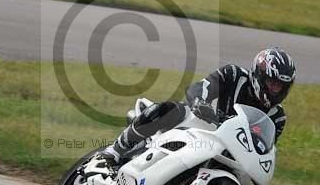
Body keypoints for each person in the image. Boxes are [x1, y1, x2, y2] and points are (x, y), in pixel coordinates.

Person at [99, 47, 296, 165]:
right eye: (272, 83)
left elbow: (264, 149)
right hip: (202, 125)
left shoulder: (277, 117)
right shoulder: (234, 75)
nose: (275, 90)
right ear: (259, 76)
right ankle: (114, 151)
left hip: (227, 150)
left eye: (280, 86)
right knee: (169, 110)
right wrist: (200, 102)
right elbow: (201, 87)